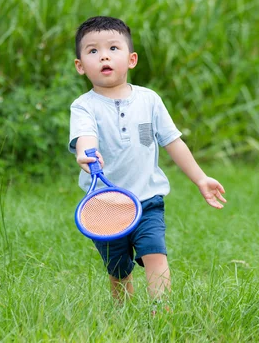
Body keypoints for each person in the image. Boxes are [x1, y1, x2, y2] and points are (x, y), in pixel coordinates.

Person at [68, 16, 227, 304]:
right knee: (118, 269)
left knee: (155, 251)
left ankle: (162, 313)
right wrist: (85, 152)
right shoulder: (83, 106)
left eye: (113, 48)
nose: (103, 55)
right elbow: (85, 136)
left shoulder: (149, 100)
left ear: (131, 59)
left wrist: (201, 178)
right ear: (80, 66)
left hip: (147, 199)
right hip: (105, 204)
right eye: (92, 51)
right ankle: (124, 314)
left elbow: (173, 142)